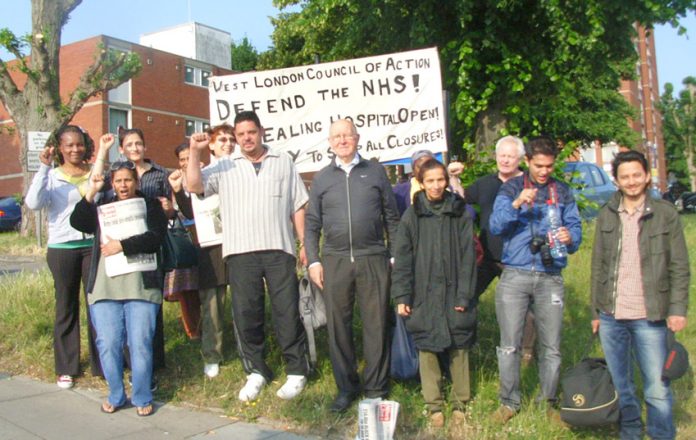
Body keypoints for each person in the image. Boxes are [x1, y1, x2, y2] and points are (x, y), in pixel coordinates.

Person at [186, 111, 310, 401]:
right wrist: (194, 152)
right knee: (246, 314)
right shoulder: (225, 165)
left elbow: (298, 205)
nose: (246, 139)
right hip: (240, 252)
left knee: (287, 311)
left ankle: (296, 370)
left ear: (261, 131)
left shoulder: (283, 161)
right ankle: (256, 371)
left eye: (250, 132)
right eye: (240, 134)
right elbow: (194, 186)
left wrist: (304, 243)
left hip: (279, 248)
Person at [591, 151, 690, 440]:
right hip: (612, 316)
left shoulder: (665, 214)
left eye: (636, 175)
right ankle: (631, 431)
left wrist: (678, 309)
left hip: (651, 314)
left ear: (646, 176)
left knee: (657, 388)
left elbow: (679, 266)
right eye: (625, 177)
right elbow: (597, 266)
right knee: (621, 385)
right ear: (616, 181)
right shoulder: (607, 214)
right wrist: (595, 312)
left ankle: (661, 434)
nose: (631, 181)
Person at [305, 119, 400, 412]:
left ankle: (375, 388)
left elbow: (391, 218)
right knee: (338, 327)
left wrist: (394, 256)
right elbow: (311, 225)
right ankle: (346, 388)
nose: (342, 140)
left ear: (357, 138)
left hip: (373, 257)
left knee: (376, 324)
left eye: (347, 135)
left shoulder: (375, 172)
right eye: (337, 136)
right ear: (330, 142)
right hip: (334, 261)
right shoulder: (322, 178)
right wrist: (314, 260)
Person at [489, 135, 582, 423]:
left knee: (551, 346)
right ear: (527, 161)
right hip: (515, 273)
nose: (544, 171)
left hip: (550, 274)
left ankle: (548, 402)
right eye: (539, 165)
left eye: (549, 166)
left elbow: (576, 230)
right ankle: (509, 402)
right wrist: (516, 203)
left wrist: (571, 237)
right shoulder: (511, 187)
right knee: (509, 344)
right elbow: (495, 225)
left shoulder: (562, 192)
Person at [70, 160, 167, 417]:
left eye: (128, 180)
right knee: (108, 343)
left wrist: (122, 245)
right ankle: (115, 393)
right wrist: (91, 191)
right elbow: (78, 221)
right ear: (112, 183)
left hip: (140, 286)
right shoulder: (103, 206)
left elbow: (156, 238)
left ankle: (142, 395)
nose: (123, 185)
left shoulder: (151, 205)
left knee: (141, 343)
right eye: (118, 181)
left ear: (136, 182)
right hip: (105, 286)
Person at [391, 158, 477, 429]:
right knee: (427, 346)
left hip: (454, 290)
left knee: (458, 345)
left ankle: (460, 403)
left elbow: (467, 257)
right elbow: (402, 258)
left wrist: (465, 295)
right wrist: (402, 296)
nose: (437, 185)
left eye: (441, 179)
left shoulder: (459, 212)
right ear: (421, 182)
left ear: (447, 180)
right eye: (430, 180)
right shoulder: (412, 214)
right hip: (423, 291)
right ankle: (434, 405)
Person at [25, 125, 102, 389]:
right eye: (69, 145)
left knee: (97, 304)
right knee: (66, 306)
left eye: (79, 144)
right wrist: (43, 168)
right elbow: (33, 203)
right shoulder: (52, 176)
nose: (75, 149)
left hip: (92, 245)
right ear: (60, 148)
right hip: (62, 249)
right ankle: (67, 367)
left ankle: (100, 363)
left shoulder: (95, 173)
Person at [464, 136, 536, 363]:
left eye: (510, 156)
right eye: (502, 155)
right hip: (486, 255)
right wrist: (453, 178)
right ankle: (467, 346)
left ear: (520, 159)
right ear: (496, 156)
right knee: (466, 297)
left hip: (517, 258)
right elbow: (460, 199)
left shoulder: (529, 185)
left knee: (526, 307)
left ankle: (527, 353)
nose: (505, 160)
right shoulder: (484, 183)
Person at [171, 124, 234, 378]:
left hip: (241, 242)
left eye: (231, 139)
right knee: (212, 305)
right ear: (210, 144)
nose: (227, 143)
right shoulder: (202, 173)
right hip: (211, 246)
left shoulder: (242, 169)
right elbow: (191, 211)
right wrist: (177, 191)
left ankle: (247, 349)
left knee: (244, 302)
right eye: (222, 139)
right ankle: (212, 354)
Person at [117, 127, 172, 378]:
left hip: (151, 242)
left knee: (152, 300)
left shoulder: (160, 174)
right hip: (125, 245)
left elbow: (170, 212)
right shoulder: (117, 173)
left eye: (138, 143)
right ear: (122, 149)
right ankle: (130, 359)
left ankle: (155, 360)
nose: (135, 148)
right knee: (128, 302)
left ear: (145, 146)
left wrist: (168, 208)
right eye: (129, 144)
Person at [165, 142, 201, 340]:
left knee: (204, 286)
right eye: (182, 159)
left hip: (205, 238)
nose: (186, 163)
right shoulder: (175, 180)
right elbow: (174, 212)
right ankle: (192, 330)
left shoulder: (206, 173)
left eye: (189, 157)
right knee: (186, 288)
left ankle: (209, 325)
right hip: (184, 239)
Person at [393, 150, 435, 215]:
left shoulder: (445, 187)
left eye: (428, 166)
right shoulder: (400, 190)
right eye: (420, 167)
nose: (424, 170)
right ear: (413, 169)